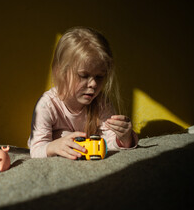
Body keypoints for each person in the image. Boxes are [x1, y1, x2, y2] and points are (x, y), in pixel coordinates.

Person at [28, 27, 138, 159]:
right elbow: (36, 150)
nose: (93, 84)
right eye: (84, 75)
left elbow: (109, 144)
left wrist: (124, 138)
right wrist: (53, 146)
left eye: (99, 76)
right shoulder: (47, 105)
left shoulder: (101, 102)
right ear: (61, 72)